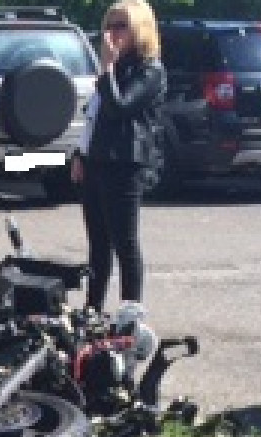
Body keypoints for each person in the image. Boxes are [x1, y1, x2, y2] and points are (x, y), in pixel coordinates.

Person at [70, 1, 166, 316]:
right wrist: (80, 154)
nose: (113, 33)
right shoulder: (112, 68)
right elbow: (95, 116)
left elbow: (120, 106)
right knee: (98, 244)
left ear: (139, 29)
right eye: (109, 26)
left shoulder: (149, 69)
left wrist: (107, 69)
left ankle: (129, 314)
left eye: (121, 26)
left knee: (125, 242)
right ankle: (93, 308)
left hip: (125, 165)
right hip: (97, 162)